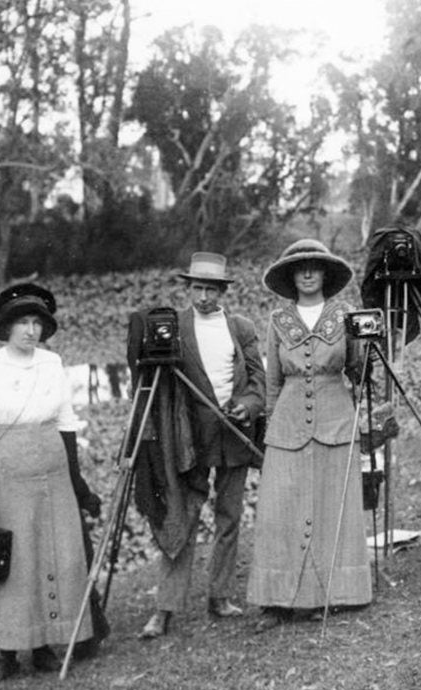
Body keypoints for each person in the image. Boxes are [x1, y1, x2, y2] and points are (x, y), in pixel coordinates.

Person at [137, 252, 265, 639]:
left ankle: (220, 596)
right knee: (182, 519)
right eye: (198, 287)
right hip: (189, 438)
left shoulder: (240, 327)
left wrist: (247, 407)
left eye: (211, 288)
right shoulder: (173, 326)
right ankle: (165, 608)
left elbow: (258, 380)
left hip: (234, 436)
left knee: (229, 517)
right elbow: (152, 374)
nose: (204, 295)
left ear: (223, 290)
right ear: (188, 288)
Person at [248, 239, 372, 632]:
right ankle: (278, 600)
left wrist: (369, 354)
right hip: (287, 425)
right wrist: (269, 427)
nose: (306, 274)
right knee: (280, 510)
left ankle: (340, 594)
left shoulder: (345, 314)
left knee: (334, 505)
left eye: (314, 267)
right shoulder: (277, 320)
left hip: (336, 421)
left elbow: (359, 370)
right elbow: (271, 381)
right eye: (299, 268)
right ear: (290, 276)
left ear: (324, 273)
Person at [0, 284, 99, 682]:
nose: (30, 331)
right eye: (22, 323)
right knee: (16, 559)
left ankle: (46, 643)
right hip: (8, 468)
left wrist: (78, 482)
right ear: (6, 327)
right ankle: (9, 652)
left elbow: (66, 422)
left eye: (36, 323)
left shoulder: (52, 362)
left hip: (52, 467)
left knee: (54, 553)